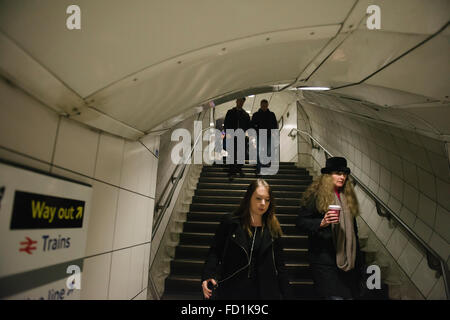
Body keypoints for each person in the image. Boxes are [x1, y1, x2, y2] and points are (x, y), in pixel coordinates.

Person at [201, 179, 292, 300]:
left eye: (267, 200)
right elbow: (215, 251)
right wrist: (208, 275)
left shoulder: (273, 228)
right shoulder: (231, 223)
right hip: (233, 288)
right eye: (258, 198)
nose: (263, 203)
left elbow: (280, 265)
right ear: (249, 198)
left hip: (264, 291)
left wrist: (287, 294)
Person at [296, 157, 364, 300]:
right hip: (324, 262)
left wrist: (357, 260)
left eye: (344, 174)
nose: (342, 177)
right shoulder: (317, 195)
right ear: (328, 175)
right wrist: (322, 222)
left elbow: (354, 232)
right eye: (338, 173)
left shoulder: (347, 197)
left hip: (347, 262)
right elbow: (300, 222)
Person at [223, 97, 251, 178]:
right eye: (239, 101)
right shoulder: (230, 112)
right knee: (232, 153)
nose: (241, 103)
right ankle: (232, 171)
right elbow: (226, 123)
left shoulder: (245, 114)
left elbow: (248, 125)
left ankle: (239, 169)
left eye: (242, 102)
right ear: (236, 101)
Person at [251, 99, 278, 175]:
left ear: (267, 106)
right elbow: (252, 124)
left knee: (268, 151)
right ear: (260, 105)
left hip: (269, 135)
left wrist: (273, 132)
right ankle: (258, 168)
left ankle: (266, 163)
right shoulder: (256, 115)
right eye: (263, 105)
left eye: (265, 106)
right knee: (259, 152)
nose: (264, 107)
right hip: (259, 135)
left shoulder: (271, 114)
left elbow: (274, 125)